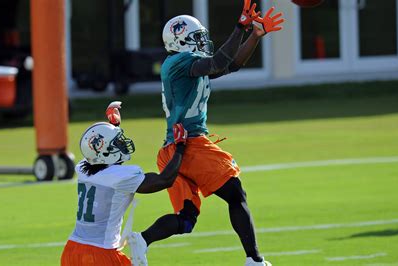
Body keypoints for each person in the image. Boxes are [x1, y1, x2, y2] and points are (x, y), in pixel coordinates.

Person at [128, 1, 285, 265]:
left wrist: (254, 35)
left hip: (174, 149)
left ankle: (142, 240)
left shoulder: (187, 65)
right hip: (189, 145)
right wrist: (240, 28)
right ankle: (255, 260)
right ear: (181, 41)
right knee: (236, 193)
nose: (202, 42)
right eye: (196, 38)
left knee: (186, 219)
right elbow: (220, 61)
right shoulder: (178, 62)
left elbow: (230, 65)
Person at [60, 102, 189, 266]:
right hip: (100, 254)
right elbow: (165, 180)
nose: (122, 144)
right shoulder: (121, 177)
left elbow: (97, 152)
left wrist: (114, 127)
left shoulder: (83, 168)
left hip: (71, 251)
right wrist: (180, 148)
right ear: (106, 152)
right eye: (117, 143)